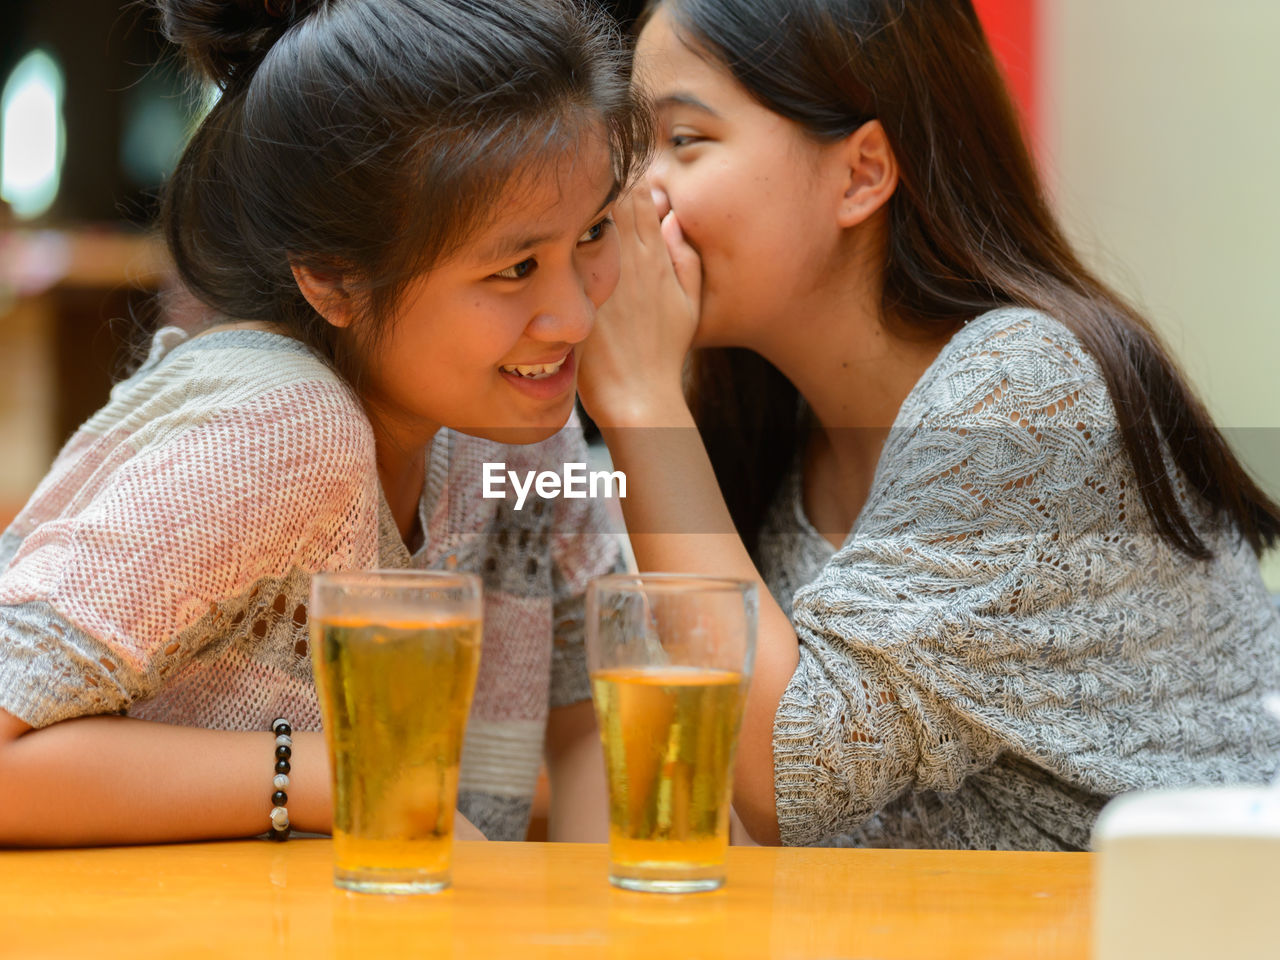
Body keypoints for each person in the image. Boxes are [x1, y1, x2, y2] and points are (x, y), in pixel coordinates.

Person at [577, 0, 1280, 850]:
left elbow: (782, 773)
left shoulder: (1029, 394)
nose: (637, 194)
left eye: (684, 141)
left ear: (863, 173)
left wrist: (644, 404)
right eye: (632, 147)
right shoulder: (766, 408)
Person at [0, 0, 646, 847]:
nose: (573, 316)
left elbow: (587, 732)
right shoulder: (286, 433)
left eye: (593, 231)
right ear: (334, 282)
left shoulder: (523, 435)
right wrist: (331, 771)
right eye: (515, 267)